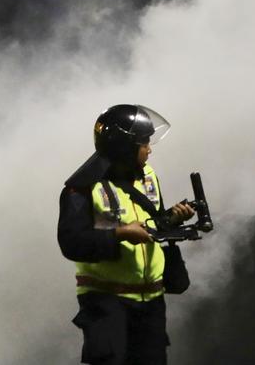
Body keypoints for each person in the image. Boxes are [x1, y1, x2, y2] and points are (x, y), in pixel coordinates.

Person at [57, 104, 197, 365]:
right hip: (106, 303)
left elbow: (153, 222)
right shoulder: (82, 189)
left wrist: (173, 218)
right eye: (144, 143)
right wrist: (120, 234)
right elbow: (72, 243)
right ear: (125, 148)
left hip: (151, 302)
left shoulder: (148, 177)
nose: (149, 149)